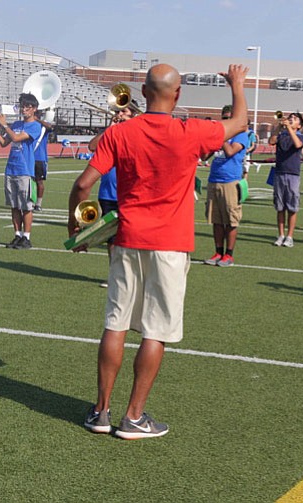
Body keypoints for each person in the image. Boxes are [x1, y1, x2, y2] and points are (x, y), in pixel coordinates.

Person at [68, 63, 248, 439]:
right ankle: (133, 418)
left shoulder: (120, 132)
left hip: (128, 239)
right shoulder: (191, 132)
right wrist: (237, 85)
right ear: (177, 94)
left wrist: (78, 226)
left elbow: (83, 185)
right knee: (156, 331)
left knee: (115, 324)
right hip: (170, 243)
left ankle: (101, 412)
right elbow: (240, 123)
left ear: (144, 93)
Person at [89, 106, 136, 288]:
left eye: (124, 113)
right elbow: (92, 146)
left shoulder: (134, 133)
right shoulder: (112, 133)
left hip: (129, 193)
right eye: (118, 112)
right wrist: (111, 127)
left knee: (128, 239)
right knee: (111, 239)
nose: (119, 115)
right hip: (108, 193)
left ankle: (130, 276)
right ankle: (115, 276)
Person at [0, 92, 42, 249]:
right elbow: (4, 142)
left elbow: (17, 138)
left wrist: (4, 124)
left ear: (35, 109)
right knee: (14, 205)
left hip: (25, 169)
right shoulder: (17, 124)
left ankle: (26, 236)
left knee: (26, 205)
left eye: (28, 106)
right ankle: (17, 235)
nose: (24, 109)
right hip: (11, 168)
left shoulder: (35, 126)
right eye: (22, 106)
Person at [203, 105, 248, 267]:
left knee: (231, 220)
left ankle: (229, 255)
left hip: (231, 181)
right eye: (224, 117)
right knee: (216, 220)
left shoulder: (241, 135)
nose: (226, 121)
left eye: (229, 117)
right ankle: (218, 252)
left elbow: (230, 152)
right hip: (214, 179)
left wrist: (221, 136)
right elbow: (204, 156)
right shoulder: (220, 136)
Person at [268, 111, 303, 247]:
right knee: (279, 206)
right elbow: (271, 141)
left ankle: (290, 236)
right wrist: (279, 127)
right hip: (279, 172)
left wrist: (289, 128)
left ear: (299, 125)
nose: (290, 119)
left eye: (294, 119)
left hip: (293, 174)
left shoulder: (301, 136)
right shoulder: (281, 135)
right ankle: (280, 235)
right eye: (290, 117)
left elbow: (297, 145)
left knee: (292, 207)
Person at [33, 111, 54, 212]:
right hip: (28, 157)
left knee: (39, 181)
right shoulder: (29, 126)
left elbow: (50, 127)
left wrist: (38, 120)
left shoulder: (43, 127)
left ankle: (38, 204)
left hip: (40, 158)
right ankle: (28, 202)